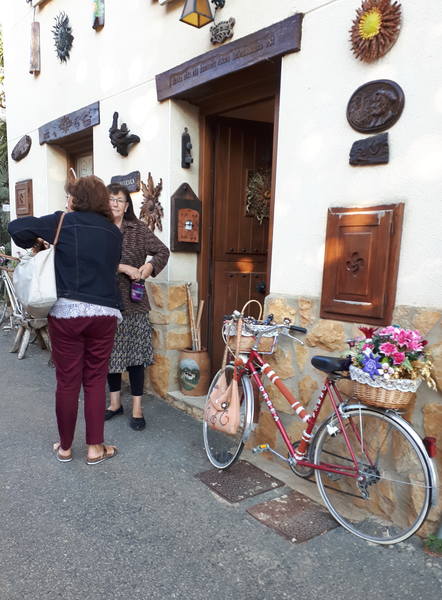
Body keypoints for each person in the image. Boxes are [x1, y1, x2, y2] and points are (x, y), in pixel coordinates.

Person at [8, 175, 122, 465]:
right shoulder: (113, 231)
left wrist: (42, 241)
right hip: (105, 313)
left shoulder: (63, 221)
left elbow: (16, 228)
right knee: (96, 380)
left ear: (75, 198)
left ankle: (66, 448)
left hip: (68, 312)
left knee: (68, 381)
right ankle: (96, 448)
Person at [105, 184, 169, 430]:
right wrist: (123, 267)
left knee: (135, 358)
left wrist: (149, 267)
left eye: (120, 200)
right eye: (111, 199)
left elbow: (162, 251)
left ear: (127, 205)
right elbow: (95, 262)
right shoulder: (100, 230)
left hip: (134, 303)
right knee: (109, 356)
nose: (115, 204)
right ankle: (114, 404)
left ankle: (137, 409)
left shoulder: (138, 229)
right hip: (107, 301)